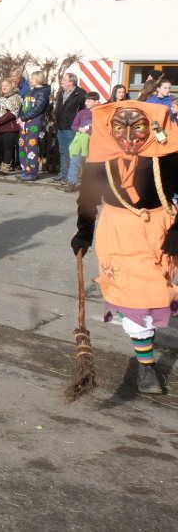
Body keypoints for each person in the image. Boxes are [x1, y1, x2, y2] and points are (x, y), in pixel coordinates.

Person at [71, 100, 178, 394]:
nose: (129, 138)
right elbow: (88, 198)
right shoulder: (101, 158)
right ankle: (146, 366)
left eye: (137, 129)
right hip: (118, 232)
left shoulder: (167, 154)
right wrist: (83, 232)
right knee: (133, 298)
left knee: (156, 291)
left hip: (160, 230)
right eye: (120, 129)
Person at [52, 71, 87, 184]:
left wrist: (78, 125)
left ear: (71, 82)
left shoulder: (81, 94)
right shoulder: (62, 92)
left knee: (73, 153)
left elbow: (83, 112)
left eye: (64, 80)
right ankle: (63, 174)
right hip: (60, 127)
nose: (61, 81)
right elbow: (58, 108)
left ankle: (72, 177)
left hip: (71, 128)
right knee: (63, 152)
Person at [63, 92, 100, 192]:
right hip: (80, 141)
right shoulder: (82, 113)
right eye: (86, 101)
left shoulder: (100, 113)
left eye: (89, 101)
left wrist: (91, 130)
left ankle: (91, 184)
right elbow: (74, 125)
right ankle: (72, 183)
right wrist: (80, 129)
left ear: (96, 102)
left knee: (92, 164)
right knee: (74, 161)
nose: (86, 103)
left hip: (93, 142)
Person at [18, 71, 51, 181]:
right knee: (23, 146)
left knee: (32, 147)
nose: (30, 80)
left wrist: (23, 118)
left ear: (38, 79)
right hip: (25, 122)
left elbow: (37, 109)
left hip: (35, 123)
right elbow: (23, 106)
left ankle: (32, 172)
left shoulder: (43, 92)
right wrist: (20, 116)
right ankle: (25, 170)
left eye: (32, 78)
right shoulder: (30, 91)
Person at [0, 77, 23, 174]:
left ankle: (5, 168)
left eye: (6, 85)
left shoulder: (15, 98)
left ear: (11, 86)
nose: (4, 87)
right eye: (2, 85)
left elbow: (12, 113)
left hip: (9, 127)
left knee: (7, 147)